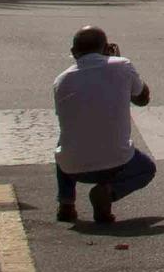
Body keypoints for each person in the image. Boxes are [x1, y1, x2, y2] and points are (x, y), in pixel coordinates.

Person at [53, 25, 155, 225]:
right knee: (147, 169)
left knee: (65, 139)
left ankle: (66, 203)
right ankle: (108, 192)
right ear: (107, 48)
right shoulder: (122, 65)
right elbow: (143, 99)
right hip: (117, 163)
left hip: (73, 168)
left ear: (73, 53)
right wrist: (118, 60)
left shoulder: (61, 80)